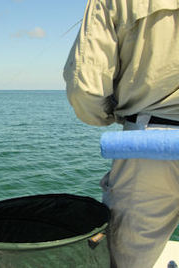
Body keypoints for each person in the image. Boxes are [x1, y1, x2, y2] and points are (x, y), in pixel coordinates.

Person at [63, 0, 179, 267]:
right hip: (149, 139)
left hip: (148, 144)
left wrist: (116, 117)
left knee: (128, 260)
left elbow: (85, 88)